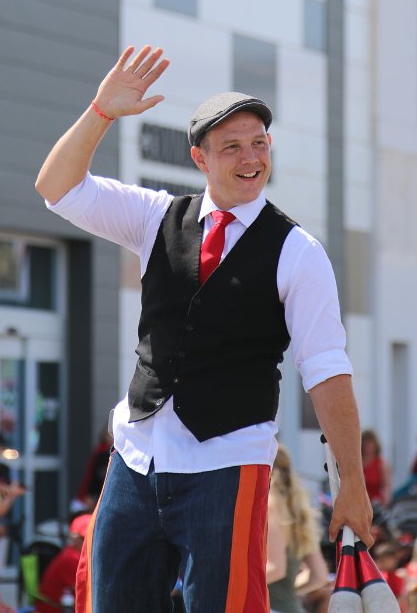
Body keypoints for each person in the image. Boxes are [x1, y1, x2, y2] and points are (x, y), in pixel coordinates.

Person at [35, 45, 373, 613]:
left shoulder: (298, 251)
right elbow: (57, 188)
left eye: (259, 143)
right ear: (200, 158)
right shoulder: (155, 216)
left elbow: (326, 372)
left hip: (228, 463)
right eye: (232, 147)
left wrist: (353, 484)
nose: (250, 158)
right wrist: (101, 112)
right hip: (137, 459)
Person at [266, 445, 329, 613]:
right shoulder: (296, 510)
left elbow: (276, 568)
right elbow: (319, 575)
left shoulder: (271, 507)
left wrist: (231, 586)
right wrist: (287, 590)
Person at [36, 514, 92, 613]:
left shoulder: (75, 555)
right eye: (83, 538)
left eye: (91, 538)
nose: (88, 542)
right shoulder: (71, 558)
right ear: (73, 537)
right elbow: (88, 593)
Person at [361, 429, 392, 505]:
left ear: (375, 445)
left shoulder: (381, 464)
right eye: (365, 442)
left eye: (370, 442)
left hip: (376, 504)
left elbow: (387, 487)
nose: (367, 445)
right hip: (360, 502)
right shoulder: (358, 463)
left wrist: (385, 502)